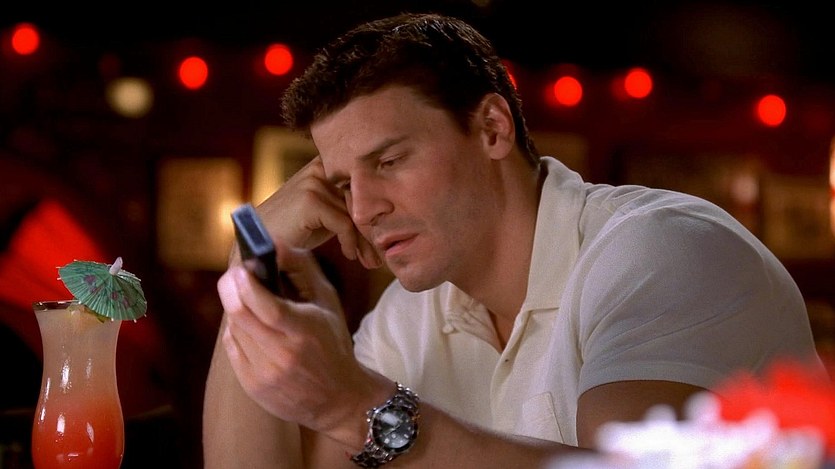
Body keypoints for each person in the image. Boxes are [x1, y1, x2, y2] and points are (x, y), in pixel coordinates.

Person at [203, 12, 826, 468]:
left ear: (493, 129)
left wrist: (358, 408)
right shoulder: (413, 312)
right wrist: (249, 266)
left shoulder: (661, 250)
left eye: (389, 161)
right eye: (343, 184)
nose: (363, 210)